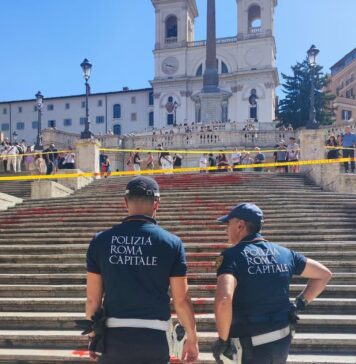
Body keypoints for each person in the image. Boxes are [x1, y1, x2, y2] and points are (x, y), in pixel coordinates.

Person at [84, 176, 199, 363]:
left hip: (113, 339)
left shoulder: (101, 241)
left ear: (125, 203)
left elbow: (92, 300)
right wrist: (192, 338)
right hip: (154, 339)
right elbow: (181, 300)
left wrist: (92, 336)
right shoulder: (172, 243)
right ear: (156, 204)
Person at [212, 203, 332, 364]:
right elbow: (324, 274)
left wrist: (223, 340)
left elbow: (224, 299)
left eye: (228, 223)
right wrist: (299, 303)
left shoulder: (231, 256)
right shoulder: (285, 253)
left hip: (248, 348)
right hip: (281, 342)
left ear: (240, 225)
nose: (225, 228)